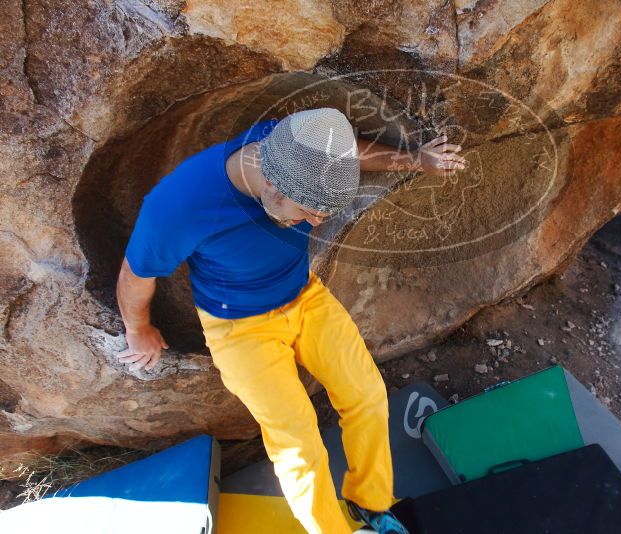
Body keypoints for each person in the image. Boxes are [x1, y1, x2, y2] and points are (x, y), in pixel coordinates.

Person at [115, 107, 465, 534]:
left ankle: (372, 505)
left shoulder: (295, 141)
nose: (317, 222)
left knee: (368, 396)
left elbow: (347, 150)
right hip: (238, 328)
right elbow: (137, 272)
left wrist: (417, 158)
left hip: (304, 297)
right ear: (270, 182)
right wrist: (139, 329)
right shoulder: (180, 205)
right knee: (298, 443)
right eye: (307, 212)